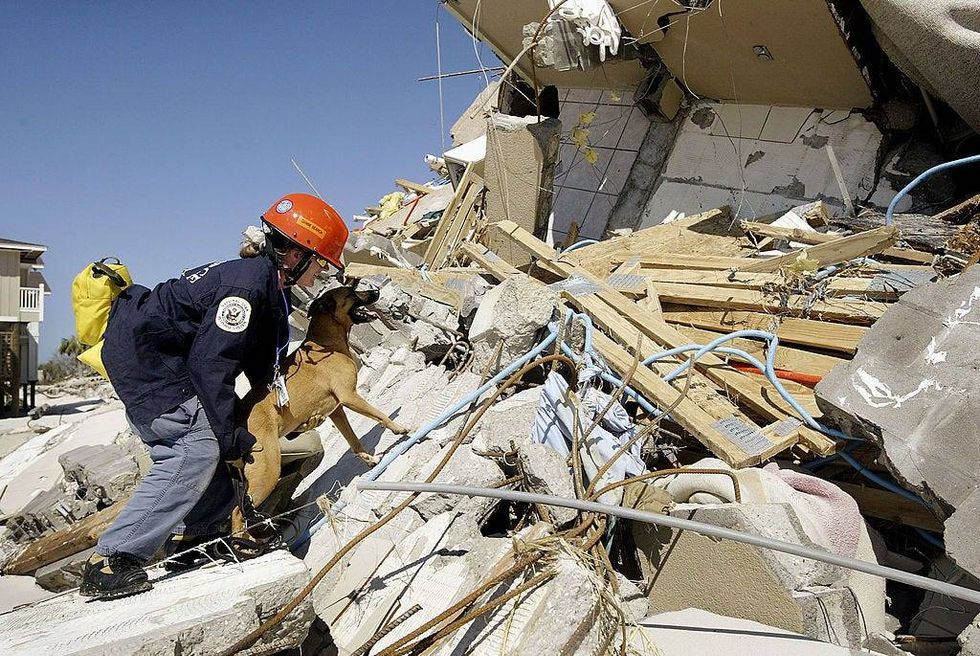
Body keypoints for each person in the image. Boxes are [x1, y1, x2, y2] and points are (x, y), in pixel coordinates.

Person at [79, 193, 348, 600]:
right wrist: (227, 435)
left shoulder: (268, 288)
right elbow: (211, 365)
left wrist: (279, 407)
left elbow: (258, 360)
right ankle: (111, 558)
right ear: (295, 255)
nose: (319, 279)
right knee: (195, 448)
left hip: (164, 360)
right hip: (145, 362)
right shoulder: (244, 288)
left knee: (216, 440)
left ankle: (197, 538)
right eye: (320, 267)